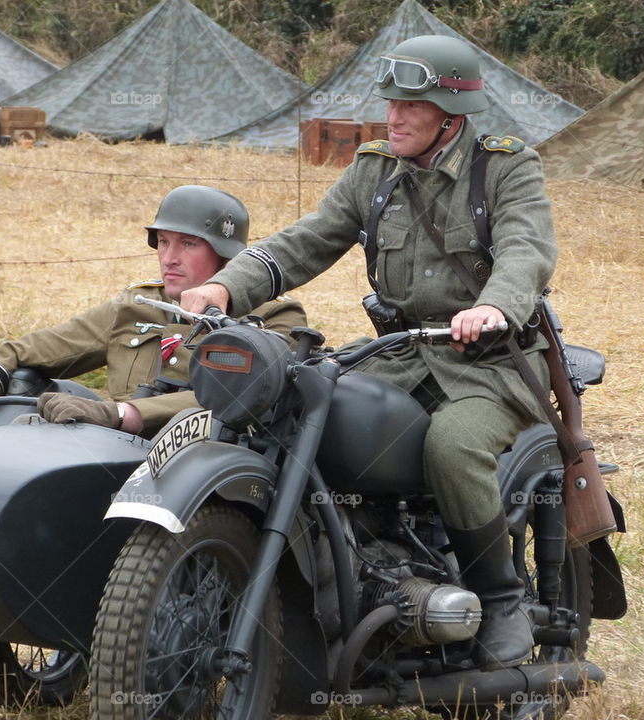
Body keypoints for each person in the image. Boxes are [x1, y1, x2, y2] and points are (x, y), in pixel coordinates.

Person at [182, 36, 557, 670]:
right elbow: (306, 241)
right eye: (391, 102)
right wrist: (226, 283)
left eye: (413, 105)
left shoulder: (504, 167)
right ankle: (339, 567)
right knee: (305, 408)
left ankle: (498, 597)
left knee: (454, 446)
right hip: (400, 351)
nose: (395, 116)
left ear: (450, 114)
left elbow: (526, 249)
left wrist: (494, 306)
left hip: (490, 360)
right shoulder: (375, 169)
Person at [0, 185, 306, 438]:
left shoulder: (274, 319)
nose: (169, 259)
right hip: (115, 456)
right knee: (23, 384)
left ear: (225, 254)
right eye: (163, 242)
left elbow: (240, 400)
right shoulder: (138, 306)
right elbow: (16, 352)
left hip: (211, 471)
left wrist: (120, 414)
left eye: (188, 244)